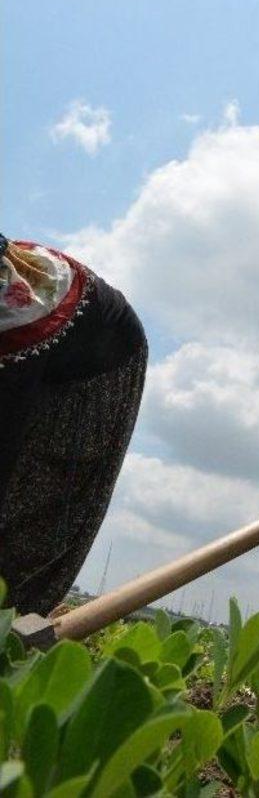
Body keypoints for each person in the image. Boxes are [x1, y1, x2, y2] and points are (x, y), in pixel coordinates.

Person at [0, 234, 147, 616]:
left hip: (99, 367)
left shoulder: (17, 319)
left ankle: (16, 615)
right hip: (48, 360)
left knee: (34, 499)